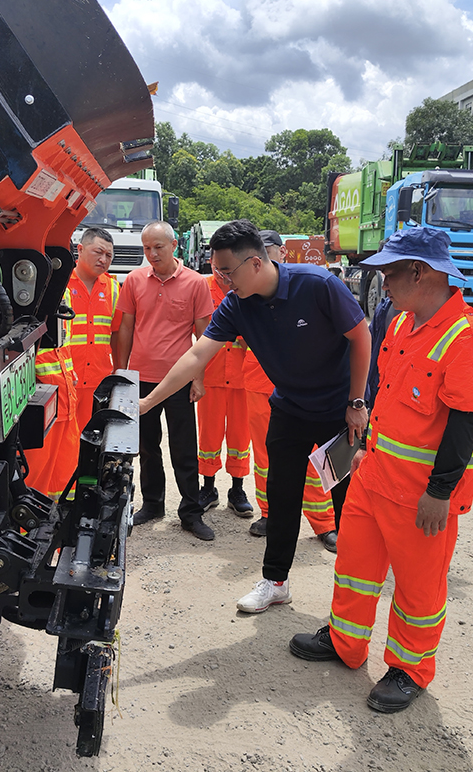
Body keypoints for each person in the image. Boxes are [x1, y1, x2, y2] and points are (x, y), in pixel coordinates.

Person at [289, 226, 473, 714]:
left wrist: (441, 492)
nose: (382, 282)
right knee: (355, 568)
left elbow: (467, 424)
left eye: (389, 272)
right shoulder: (404, 323)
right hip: (374, 475)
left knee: (418, 589)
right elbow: (390, 396)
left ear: (419, 273)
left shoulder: (469, 337)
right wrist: (364, 450)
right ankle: (345, 642)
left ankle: (410, 669)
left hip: (421, 495)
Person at [137, 220, 370, 612]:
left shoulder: (317, 285)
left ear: (257, 263)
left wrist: (357, 403)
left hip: (337, 415)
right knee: (281, 497)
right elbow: (198, 354)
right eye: (218, 271)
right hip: (290, 411)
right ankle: (275, 581)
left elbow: (360, 336)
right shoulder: (237, 305)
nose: (224, 280)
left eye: (229, 271)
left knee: (348, 500)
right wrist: (148, 403)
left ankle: (356, 592)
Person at [115, 221, 216, 540]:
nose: (151, 253)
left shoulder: (195, 283)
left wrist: (198, 379)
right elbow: (126, 329)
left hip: (179, 380)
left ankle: (190, 511)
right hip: (141, 379)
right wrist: (123, 374)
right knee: (147, 446)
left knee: (184, 447)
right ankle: (153, 503)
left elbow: (204, 337)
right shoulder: (133, 280)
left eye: (158, 246)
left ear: (174, 245)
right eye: (146, 248)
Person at [244, 230, 337, 552]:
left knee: (317, 459)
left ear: (281, 252)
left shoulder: (306, 287)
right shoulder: (247, 296)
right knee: (266, 457)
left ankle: (324, 522)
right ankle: (270, 514)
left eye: (270, 251)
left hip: (305, 393)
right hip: (258, 384)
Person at [196, 269, 253, 518]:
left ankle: (237, 490)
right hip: (212, 374)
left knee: (241, 437)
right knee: (209, 435)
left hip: (242, 377)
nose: (223, 275)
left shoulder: (248, 286)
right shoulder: (202, 288)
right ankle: (208, 488)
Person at [23, 284, 80, 501]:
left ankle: (56, 519)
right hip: (38, 400)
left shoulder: (62, 286)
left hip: (63, 395)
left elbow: (63, 345)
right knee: (35, 473)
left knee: (64, 471)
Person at [68, 228, 121, 428]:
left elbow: (116, 335)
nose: (103, 259)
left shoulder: (113, 289)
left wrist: (118, 370)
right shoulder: (60, 285)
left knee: (91, 443)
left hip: (98, 382)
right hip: (67, 380)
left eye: (109, 255)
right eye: (98, 252)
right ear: (80, 250)